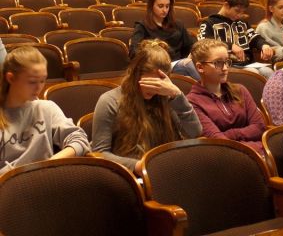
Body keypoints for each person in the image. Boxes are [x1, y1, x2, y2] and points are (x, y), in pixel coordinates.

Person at [92, 39, 202, 174]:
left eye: (158, 83)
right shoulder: (109, 101)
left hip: (168, 168)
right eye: (148, 82)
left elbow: (194, 132)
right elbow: (100, 153)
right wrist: (139, 165)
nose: (153, 89)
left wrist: (177, 95)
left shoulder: (167, 96)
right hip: (131, 175)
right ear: (134, 74)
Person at [0, 46, 90, 175]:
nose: (38, 88)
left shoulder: (46, 108)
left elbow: (79, 140)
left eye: (42, 81)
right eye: (32, 82)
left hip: (45, 180)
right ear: (11, 78)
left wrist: (49, 164)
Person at [188, 38, 266, 156]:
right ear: (200, 67)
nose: (225, 68)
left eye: (226, 62)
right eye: (218, 63)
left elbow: (260, 127)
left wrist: (231, 134)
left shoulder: (240, 90)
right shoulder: (193, 102)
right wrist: (250, 143)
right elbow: (219, 142)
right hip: (228, 159)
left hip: (260, 152)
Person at [198, 0, 274, 78]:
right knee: (253, 74)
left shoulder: (242, 23)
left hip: (248, 63)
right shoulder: (208, 23)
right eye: (237, 11)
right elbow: (203, 43)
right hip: (226, 65)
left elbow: (254, 37)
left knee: (269, 72)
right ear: (226, 5)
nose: (239, 15)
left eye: (242, 12)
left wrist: (264, 45)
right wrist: (230, 46)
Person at [129, 0, 199, 80]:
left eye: (167, 6)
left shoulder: (178, 24)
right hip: (156, 66)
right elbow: (134, 52)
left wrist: (190, 56)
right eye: (160, 6)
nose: (165, 10)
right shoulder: (142, 26)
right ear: (151, 6)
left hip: (178, 63)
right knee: (188, 66)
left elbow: (190, 46)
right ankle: (208, 90)